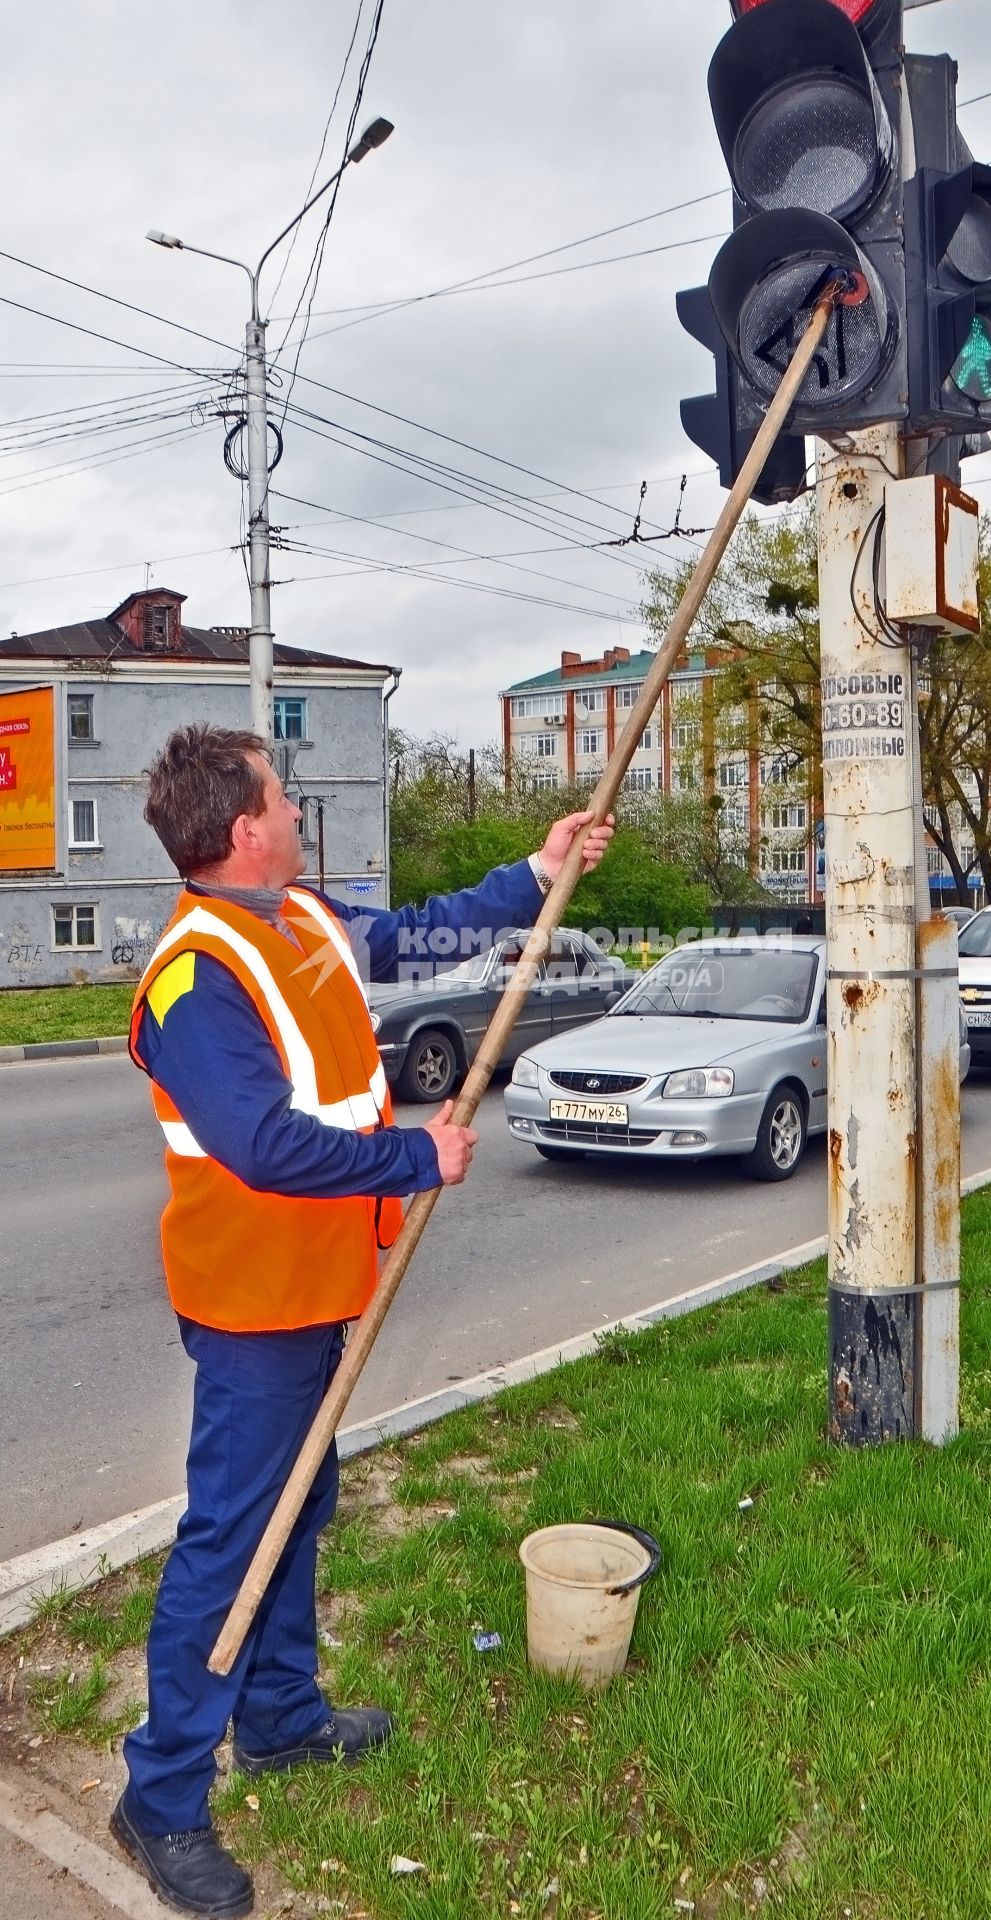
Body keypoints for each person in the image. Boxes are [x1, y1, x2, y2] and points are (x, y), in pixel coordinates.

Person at [111, 723, 614, 1917]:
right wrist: (412, 1153)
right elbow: (260, 1141)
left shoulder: (300, 919)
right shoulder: (193, 978)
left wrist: (539, 875)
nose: (296, 813)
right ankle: (161, 1795)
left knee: (302, 1504)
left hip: (325, 1284)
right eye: (283, 799)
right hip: (254, 1303)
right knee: (235, 1531)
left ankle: (280, 1719)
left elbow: (410, 931)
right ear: (242, 829)